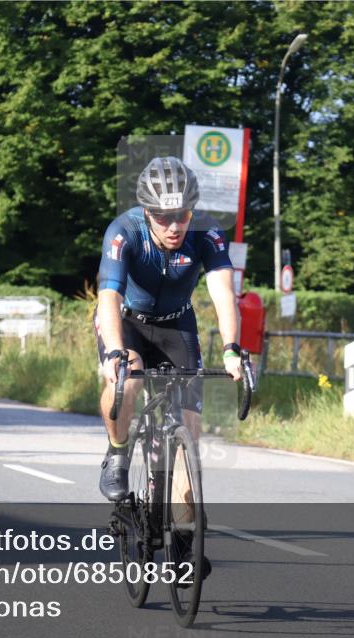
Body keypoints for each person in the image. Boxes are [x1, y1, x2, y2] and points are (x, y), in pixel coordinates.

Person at [95, 156, 242, 577]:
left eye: (181, 215)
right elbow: (108, 298)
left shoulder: (207, 232)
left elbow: (222, 292)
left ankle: (181, 541)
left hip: (178, 324)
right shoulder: (124, 232)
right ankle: (118, 454)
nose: (174, 225)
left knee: (188, 436)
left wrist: (232, 348)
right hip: (126, 320)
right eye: (163, 217)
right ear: (146, 212)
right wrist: (113, 354)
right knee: (131, 374)